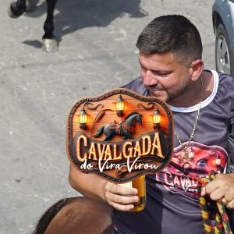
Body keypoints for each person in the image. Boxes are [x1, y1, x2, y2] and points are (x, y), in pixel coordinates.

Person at [68, 15, 234, 232]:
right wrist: (104, 189)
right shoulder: (127, 103)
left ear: (195, 69)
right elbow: (78, 173)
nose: (147, 80)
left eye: (160, 73)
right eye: (143, 68)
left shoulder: (228, 99)